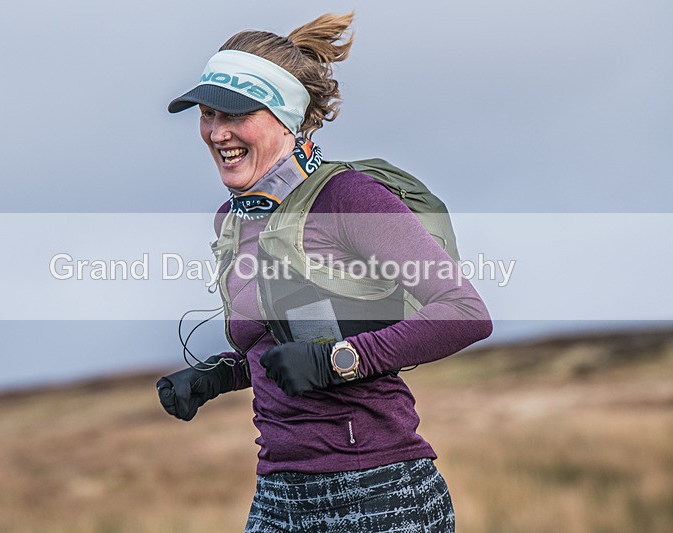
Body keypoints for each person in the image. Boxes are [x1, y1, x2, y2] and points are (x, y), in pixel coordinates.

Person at [157, 12, 492, 532]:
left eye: (236, 114)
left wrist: (339, 361)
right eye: (207, 114)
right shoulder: (233, 220)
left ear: (285, 117)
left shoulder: (347, 199)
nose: (217, 133)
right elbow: (285, 350)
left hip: (380, 491)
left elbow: (466, 312)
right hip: (277, 495)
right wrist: (219, 375)